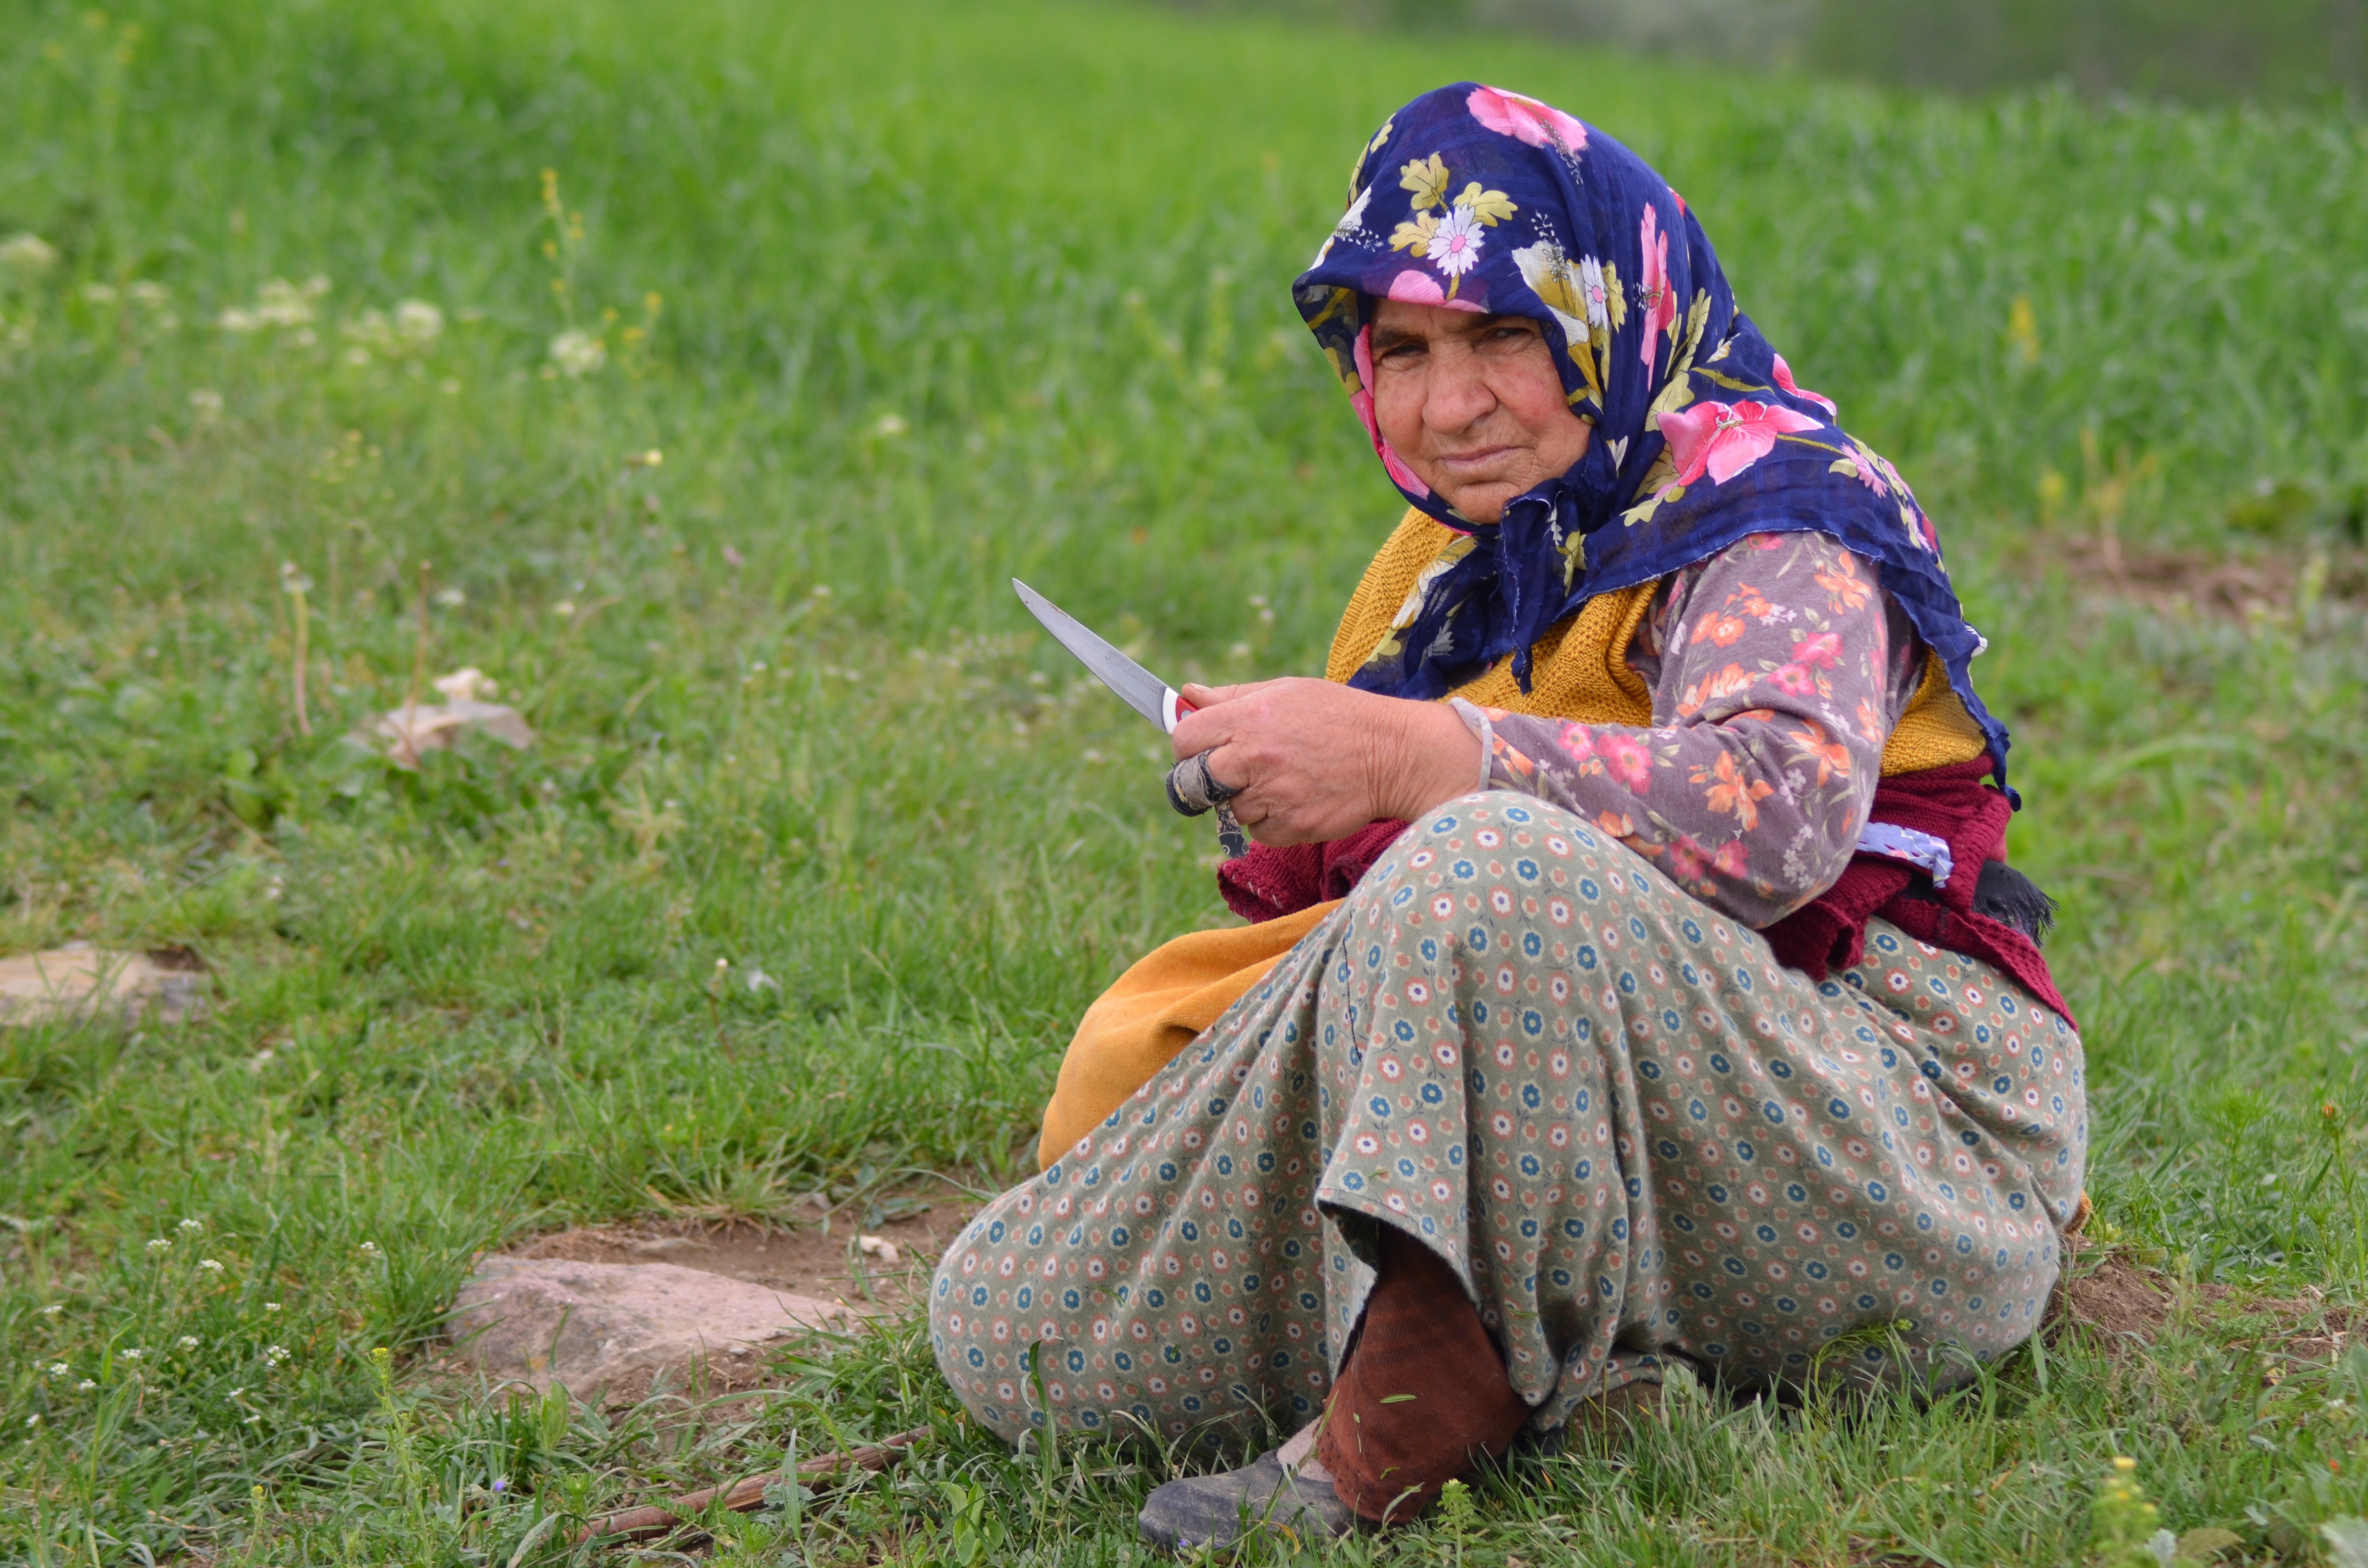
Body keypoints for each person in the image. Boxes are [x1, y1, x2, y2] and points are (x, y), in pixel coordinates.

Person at [930, 83, 2086, 1551]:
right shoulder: (1445, 563)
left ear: (1617, 314)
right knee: (1016, 1329)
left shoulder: (1776, 510)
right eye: (1399, 350)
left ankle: (1395, 1435)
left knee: (1493, 864)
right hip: (1577, 1140)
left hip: (1885, 1152)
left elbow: (1779, 816)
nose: (1444, 404)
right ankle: (1587, 1366)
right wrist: (1314, 772)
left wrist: (1419, 756)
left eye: (1504, 337)